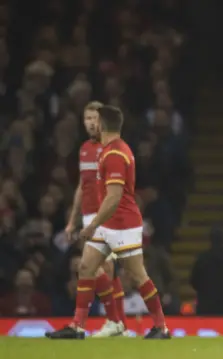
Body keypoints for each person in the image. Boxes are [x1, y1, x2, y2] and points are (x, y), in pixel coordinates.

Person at [46, 105, 170, 339]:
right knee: (86, 267)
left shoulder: (114, 155)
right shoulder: (111, 150)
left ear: (103, 124)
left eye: (96, 121)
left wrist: (92, 225)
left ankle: (161, 327)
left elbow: (114, 198)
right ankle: (77, 327)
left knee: (137, 275)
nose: (93, 124)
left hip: (123, 224)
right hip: (108, 223)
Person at [64, 101, 126, 337]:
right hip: (88, 215)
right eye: (87, 118)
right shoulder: (84, 149)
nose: (91, 123)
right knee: (104, 270)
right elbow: (82, 185)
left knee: (96, 267)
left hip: (105, 216)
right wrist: (73, 219)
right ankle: (119, 325)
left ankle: (109, 323)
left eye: (94, 118)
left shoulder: (112, 148)